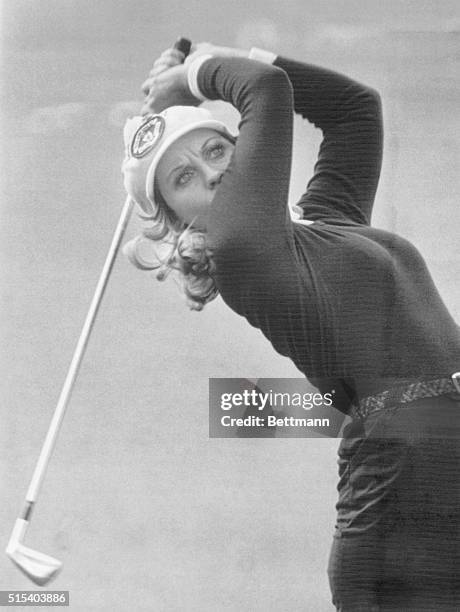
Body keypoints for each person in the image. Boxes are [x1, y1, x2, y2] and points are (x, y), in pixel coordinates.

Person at [122, 42, 460, 611]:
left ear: (244, 149)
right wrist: (193, 74)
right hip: (401, 486)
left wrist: (207, 54)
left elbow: (355, 109)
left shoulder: (325, 224)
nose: (213, 171)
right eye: (184, 177)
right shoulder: (241, 248)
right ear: (177, 220)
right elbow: (265, 89)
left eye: (217, 148)